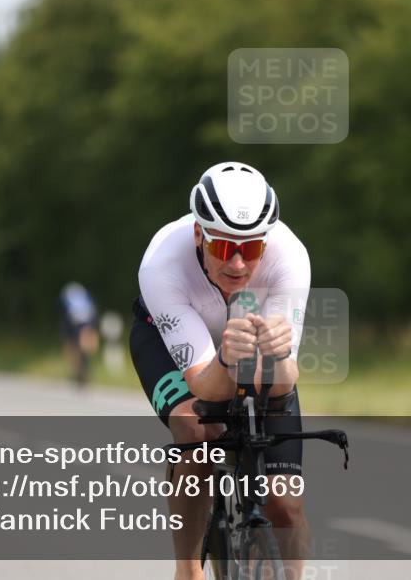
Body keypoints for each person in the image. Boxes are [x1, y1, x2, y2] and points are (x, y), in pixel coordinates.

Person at [130, 162, 310, 580]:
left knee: (284, 502)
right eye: (224, 247)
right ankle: (188, 569)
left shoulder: (290, 257)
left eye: (250, 249)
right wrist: (226, 360)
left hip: (247, 341)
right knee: (196, 427)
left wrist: (280, 357)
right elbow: (202, 385)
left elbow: (281, 383)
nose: (237, 264)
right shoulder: (161, 266)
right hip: (164, 338)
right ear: (199, 234)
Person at [59, 282, 100, 386]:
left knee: (73, 347)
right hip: (85, 321)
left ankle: (79, 371)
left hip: (73, 322)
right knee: (82, 347)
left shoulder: (67, 295)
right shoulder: (84, 295)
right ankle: (82, 371)